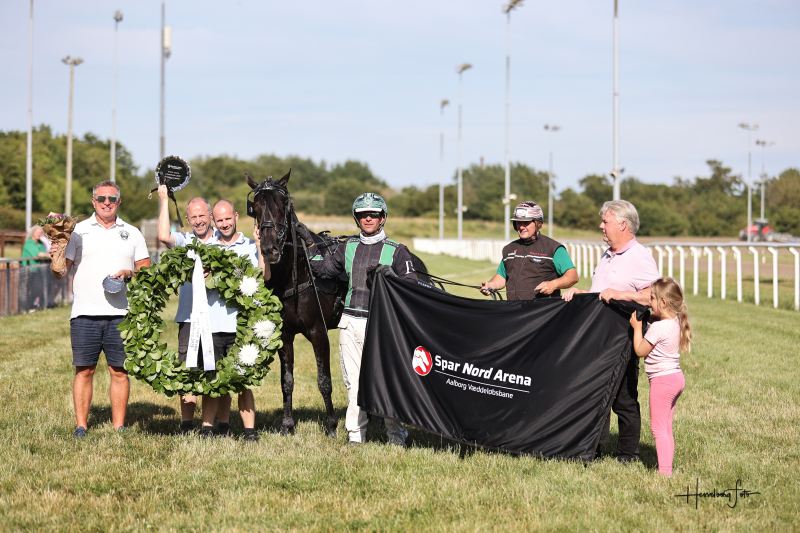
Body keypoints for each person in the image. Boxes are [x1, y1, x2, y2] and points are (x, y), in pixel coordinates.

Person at [309, 193, 417, 446]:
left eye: (374, 214)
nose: (368, 218)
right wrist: (312, 249)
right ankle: (356, 437)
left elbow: (412, 286)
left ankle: (397, 437)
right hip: (350, 323)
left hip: (383, 326)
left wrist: (391, 274)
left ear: (383, 218)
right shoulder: (347, 247)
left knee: (386, 382)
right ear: (356, 218)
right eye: (362, 215)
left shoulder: (398, 251)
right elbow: (325, 269)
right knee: (354, 384)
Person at [49, 181, 151, 438]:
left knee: (119, 371)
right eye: (102, 198)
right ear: (94, 202)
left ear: (119, 202)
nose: (107, 202)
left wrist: (130, 273)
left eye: (112, 198)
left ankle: (119, 426)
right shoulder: (77, 232)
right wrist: (57, 255)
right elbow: (62, 273)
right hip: (84, 313)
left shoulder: (133, 232)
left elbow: (148, 272)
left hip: (122, 314)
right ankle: (81, 426)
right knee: (84, 370)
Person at [562, 200, 659, 462]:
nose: (600, 226)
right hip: (598, 338)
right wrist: (582, 293)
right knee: (594, 393)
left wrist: (622, 294)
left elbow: (654, 296)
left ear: (623, 225)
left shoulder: (640, 257)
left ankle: (628, 455)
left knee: (624, 400)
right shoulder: (607, 254)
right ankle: (591, 449)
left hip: (624, 339)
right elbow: (601, 293)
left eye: (605, 221)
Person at [198, 199, 264, 441]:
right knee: (212, 378)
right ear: (213, 221)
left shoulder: (248, 245)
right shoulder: (206, 246)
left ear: (236, 216)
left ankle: (249, 432)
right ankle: (208, 430)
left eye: (228, 218)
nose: (224, 224)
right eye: (219, 220)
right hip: (212, 325)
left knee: (243, 380)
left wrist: (259, 246)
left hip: (240, 326)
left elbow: (263, 275)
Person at [157, 186, 218, 434]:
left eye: (202, 215)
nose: (198, 220)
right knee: (187, 370)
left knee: (212, 371)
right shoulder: (186, 241)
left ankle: (208, 427)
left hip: (217, 319)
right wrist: (163, 200)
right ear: (188, 219)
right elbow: (163, 236)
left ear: (211, 216)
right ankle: (186, 424)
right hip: (188, 317)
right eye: (193, 217)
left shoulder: (223, 241)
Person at [630, 277, 692, 476]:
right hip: (676, 378)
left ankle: (664, 473)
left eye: (652, 299)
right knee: (666, 427)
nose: (649, 302)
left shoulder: (657, 328)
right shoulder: (674, 320)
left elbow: (640, 350)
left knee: (658, 429)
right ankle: (667, 467)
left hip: (662, 382)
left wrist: (637, 328)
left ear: (663, 303)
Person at [480, 201, 577, 299]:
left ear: (538, 223)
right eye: (518, 222)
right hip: (513, 310)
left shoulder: (553, 248)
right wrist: (490, 285)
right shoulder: (509, 249)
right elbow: (502, 277)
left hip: (542, 312)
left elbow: (573, 276)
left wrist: (553, 285)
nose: (521, 227)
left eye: (526, 222)